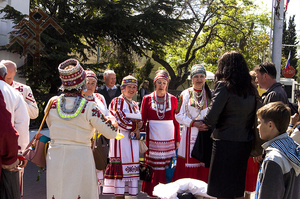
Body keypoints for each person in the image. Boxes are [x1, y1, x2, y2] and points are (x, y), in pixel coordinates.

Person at [45, 59, 118, 199]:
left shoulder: (52, 103)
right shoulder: (89, 106)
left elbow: (50, 124)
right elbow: (111, 133)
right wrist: (113, 121)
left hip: (56, 155)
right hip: (80, 156)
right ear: (81, 83)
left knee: (58, 191)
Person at [202, 51, 256, 199]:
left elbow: (211, 118)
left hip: (224, 144)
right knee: (237, 188)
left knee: (221, 190)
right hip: (244, 143)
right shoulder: (251, 89)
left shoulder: (224, 86)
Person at [140, 70, 181, 197]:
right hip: (153, 139)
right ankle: (153, 193)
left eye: (164, 83)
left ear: (167, 84)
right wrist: (141, 138)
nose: (161, 85)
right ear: (154, 84)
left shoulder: (173, 99)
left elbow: (176, 121)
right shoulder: (147, 99)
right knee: (154, 166)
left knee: (169, 166)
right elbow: (143, 120)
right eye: (159, 82)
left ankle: (168, 193)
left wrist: (177, 139)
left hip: (169, 139)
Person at [103, 74, 143, 198]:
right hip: (120, 141)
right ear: (122, 88)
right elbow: (119, 120)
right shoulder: (117, 101)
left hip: (132, 142)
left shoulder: (135, 104)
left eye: (134, 87)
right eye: (129, 87)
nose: (131, 90)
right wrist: (136, 127)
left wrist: (139, 126)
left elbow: (138, 120)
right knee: (120, 180)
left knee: (130, 177)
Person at [173, 64, 212, 183]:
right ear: (192, 78)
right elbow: (178, 114)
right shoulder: (185, 94)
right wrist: (193, 123)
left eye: (201, 76)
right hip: (190, 133)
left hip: (205, 134)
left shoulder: (211, 94)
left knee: (204, 163)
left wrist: (208, 125)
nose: (199, 79)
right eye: (196, 77)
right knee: (189, 164)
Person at [255, 101, 300, 199]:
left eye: (259, 122)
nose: (257, 127)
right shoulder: (293, 148)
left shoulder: (273, 159)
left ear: (270, 125)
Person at [0, 63, 29, 198]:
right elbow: (21, 125)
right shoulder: (13, 92)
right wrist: (20, 153)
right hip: (5, 153)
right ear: (5, 76)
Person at [82, 69, 111, 193]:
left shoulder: (100, 97)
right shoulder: (78, 97)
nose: (90, 86)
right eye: (87, 82)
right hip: (82, 141)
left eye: (93, 83)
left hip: (97, 142)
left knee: (96, 173)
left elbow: (106, 114)